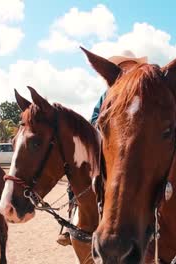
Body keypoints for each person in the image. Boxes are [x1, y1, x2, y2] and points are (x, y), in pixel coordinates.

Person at [57, 50, 148, 246]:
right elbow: (93, 120)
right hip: (108, 146)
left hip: (135, 148)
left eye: (129, 68)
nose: (125, 73)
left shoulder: (143, 93)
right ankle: (71, 219)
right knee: (78, 174)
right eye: (121, 69)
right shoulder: (107, 95)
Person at [90, 50, 148, 124]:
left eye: (132, 69)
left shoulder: (146, 91)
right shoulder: (107, 94)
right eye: (124, 70)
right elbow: (94, 120)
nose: (128, 72)